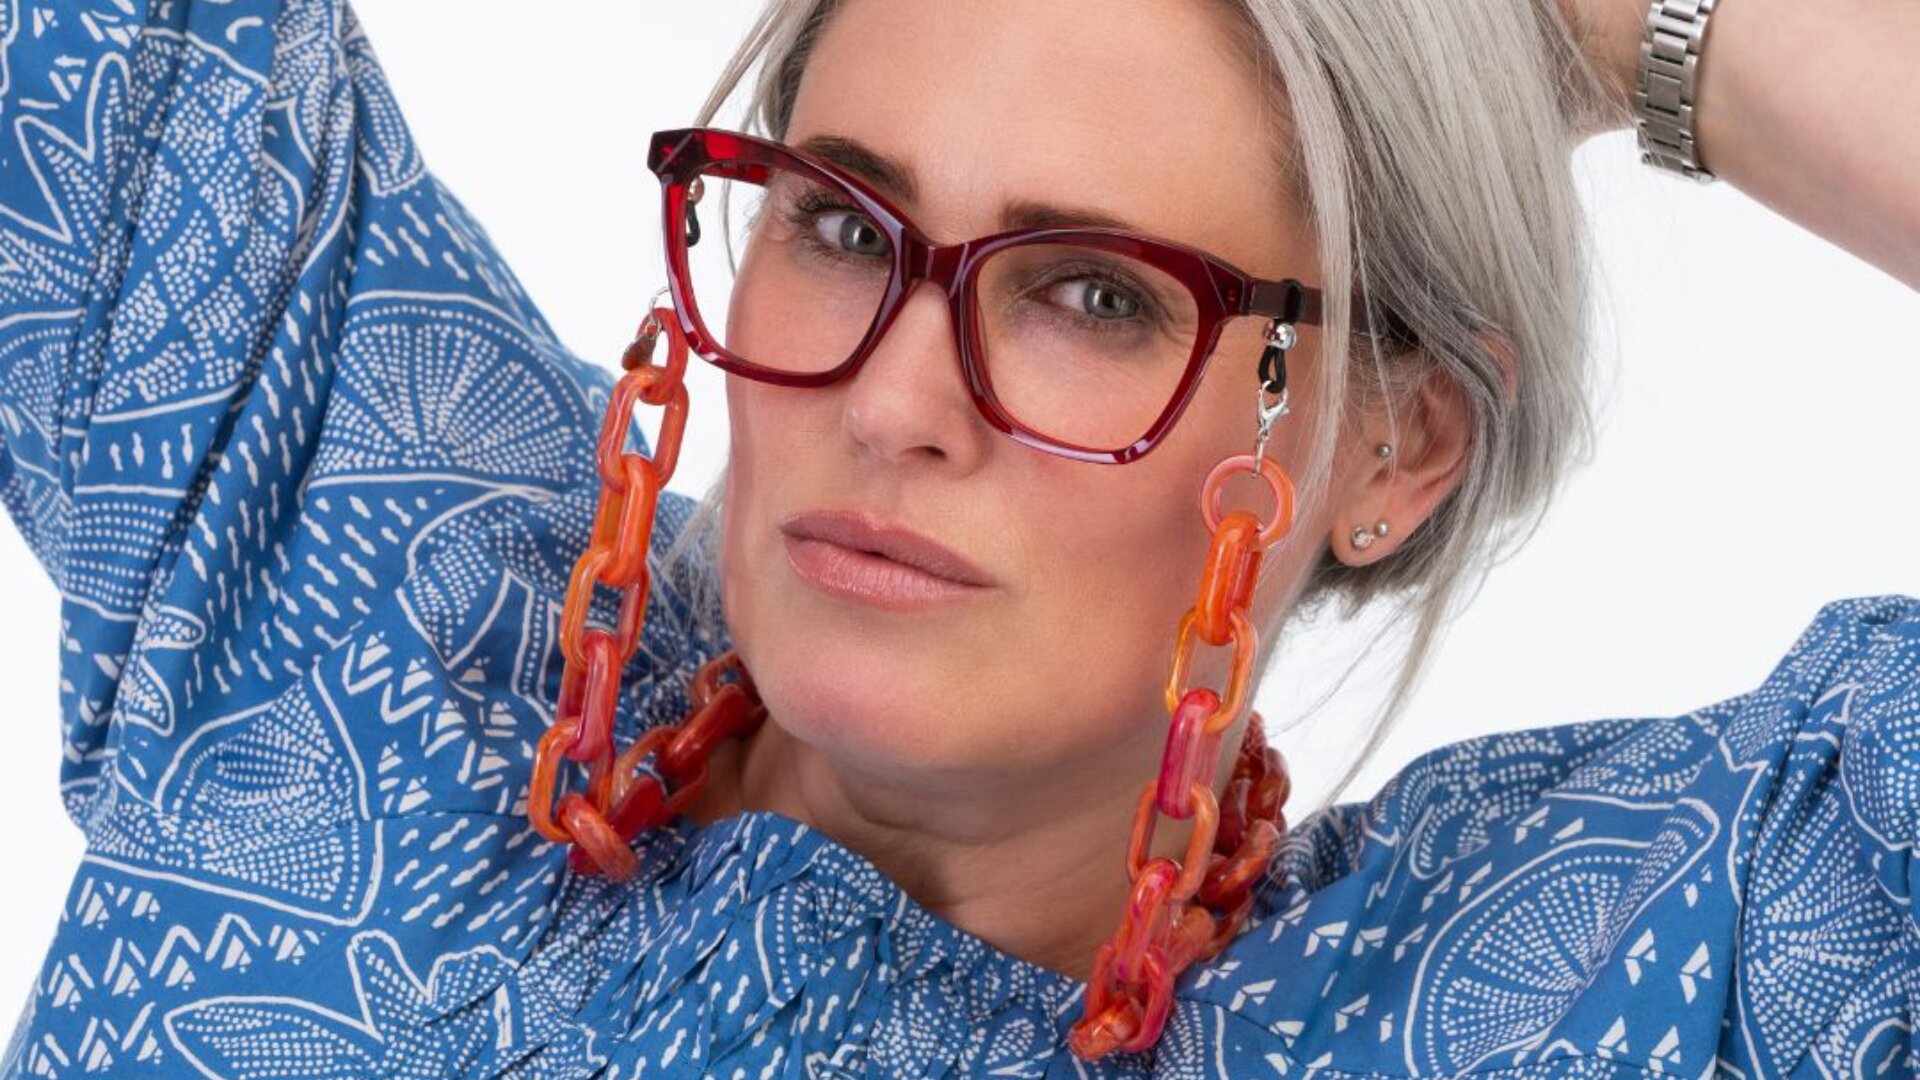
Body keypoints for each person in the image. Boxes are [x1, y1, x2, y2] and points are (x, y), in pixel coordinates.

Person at [0, 0, 1914, 1076]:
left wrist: (1652, 25)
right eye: (839, 221)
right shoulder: (379, 545)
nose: (897, 397)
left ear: (1391, 444)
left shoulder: (1565, 984)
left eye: (1092, 295)